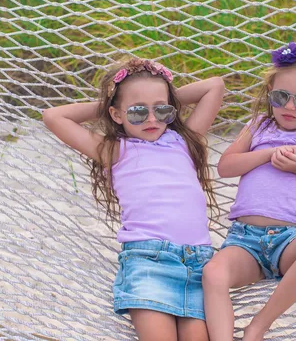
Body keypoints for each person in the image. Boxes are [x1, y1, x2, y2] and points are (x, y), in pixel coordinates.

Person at [43, 57, 225, 340]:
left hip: (197, 264)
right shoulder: (115, 150)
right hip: (149, 262)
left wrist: (157, 99)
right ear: (117, 115)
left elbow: (215, 86)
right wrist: (112, 104)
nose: (152, 120)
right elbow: (53, 116)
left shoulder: (184, 142)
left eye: (162, 110)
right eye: (138, 113)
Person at [202, 42, 296, 341]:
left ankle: (259, 325)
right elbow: (226, 166)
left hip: (291, 241)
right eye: (281, 97)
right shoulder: (258, 126)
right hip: (245, 241)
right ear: (270, 91)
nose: (290, 107)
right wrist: (268, 154)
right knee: (213, 273)